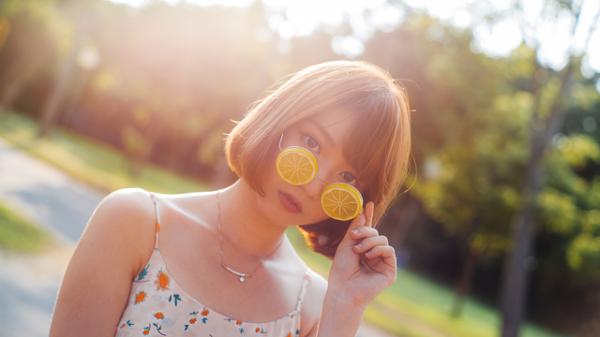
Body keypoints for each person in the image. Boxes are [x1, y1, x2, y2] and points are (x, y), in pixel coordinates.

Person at [49, 59, 412, 337]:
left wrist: (344, 308)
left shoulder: (313, 306)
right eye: (312, 143)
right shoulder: (134, 222)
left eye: (347, 176)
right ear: (278, 121)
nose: (315, 186)